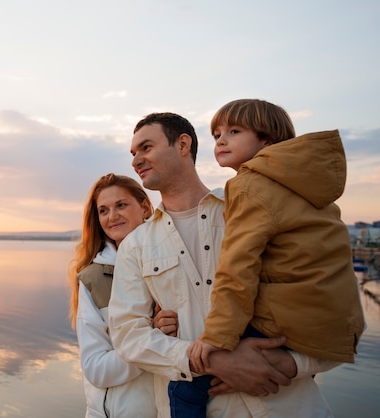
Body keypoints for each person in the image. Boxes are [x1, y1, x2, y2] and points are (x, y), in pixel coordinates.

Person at [109, 112, 340, 418]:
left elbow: (336, 313)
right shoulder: (135, 246)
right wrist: (211, 361)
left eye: (146, 147)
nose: (136, 160)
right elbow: (128, 335)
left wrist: (289, 364)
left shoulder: (257, 212)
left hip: (290, 406)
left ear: (182, 144)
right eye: (133, 153)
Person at [181, 99, 365, 416]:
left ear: (266, 139)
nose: (221, 140)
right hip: (328, 319)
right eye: (216, 134)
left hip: (283, 321)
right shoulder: (308, 189)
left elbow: (237, 269)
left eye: (234, 131)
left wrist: (216, 338)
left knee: (184, 385)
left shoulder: (249, 185)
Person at [69, 173, 179, 418]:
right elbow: (97, 369)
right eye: (103, 210)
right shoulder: (92, 279)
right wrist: (151, 336)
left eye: (121, 205)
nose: (112, 216)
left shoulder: (174, 261)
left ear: (144, 207)